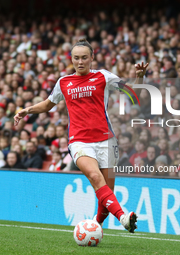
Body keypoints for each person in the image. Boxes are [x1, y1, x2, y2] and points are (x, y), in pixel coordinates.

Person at [14, 39, 148, 233]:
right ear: (72, 59)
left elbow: (131, 91)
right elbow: (47, 104)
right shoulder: (64, 82)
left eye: (84, 57)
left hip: (107, 141)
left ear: (92, 57)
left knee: (105, 196)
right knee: (95, 176)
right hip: (80, 142)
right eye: (76, 58)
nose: (80, 62)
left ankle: (95, 227)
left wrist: (140, 78)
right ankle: (123, 218)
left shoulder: (103, 76)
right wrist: (26, 110)